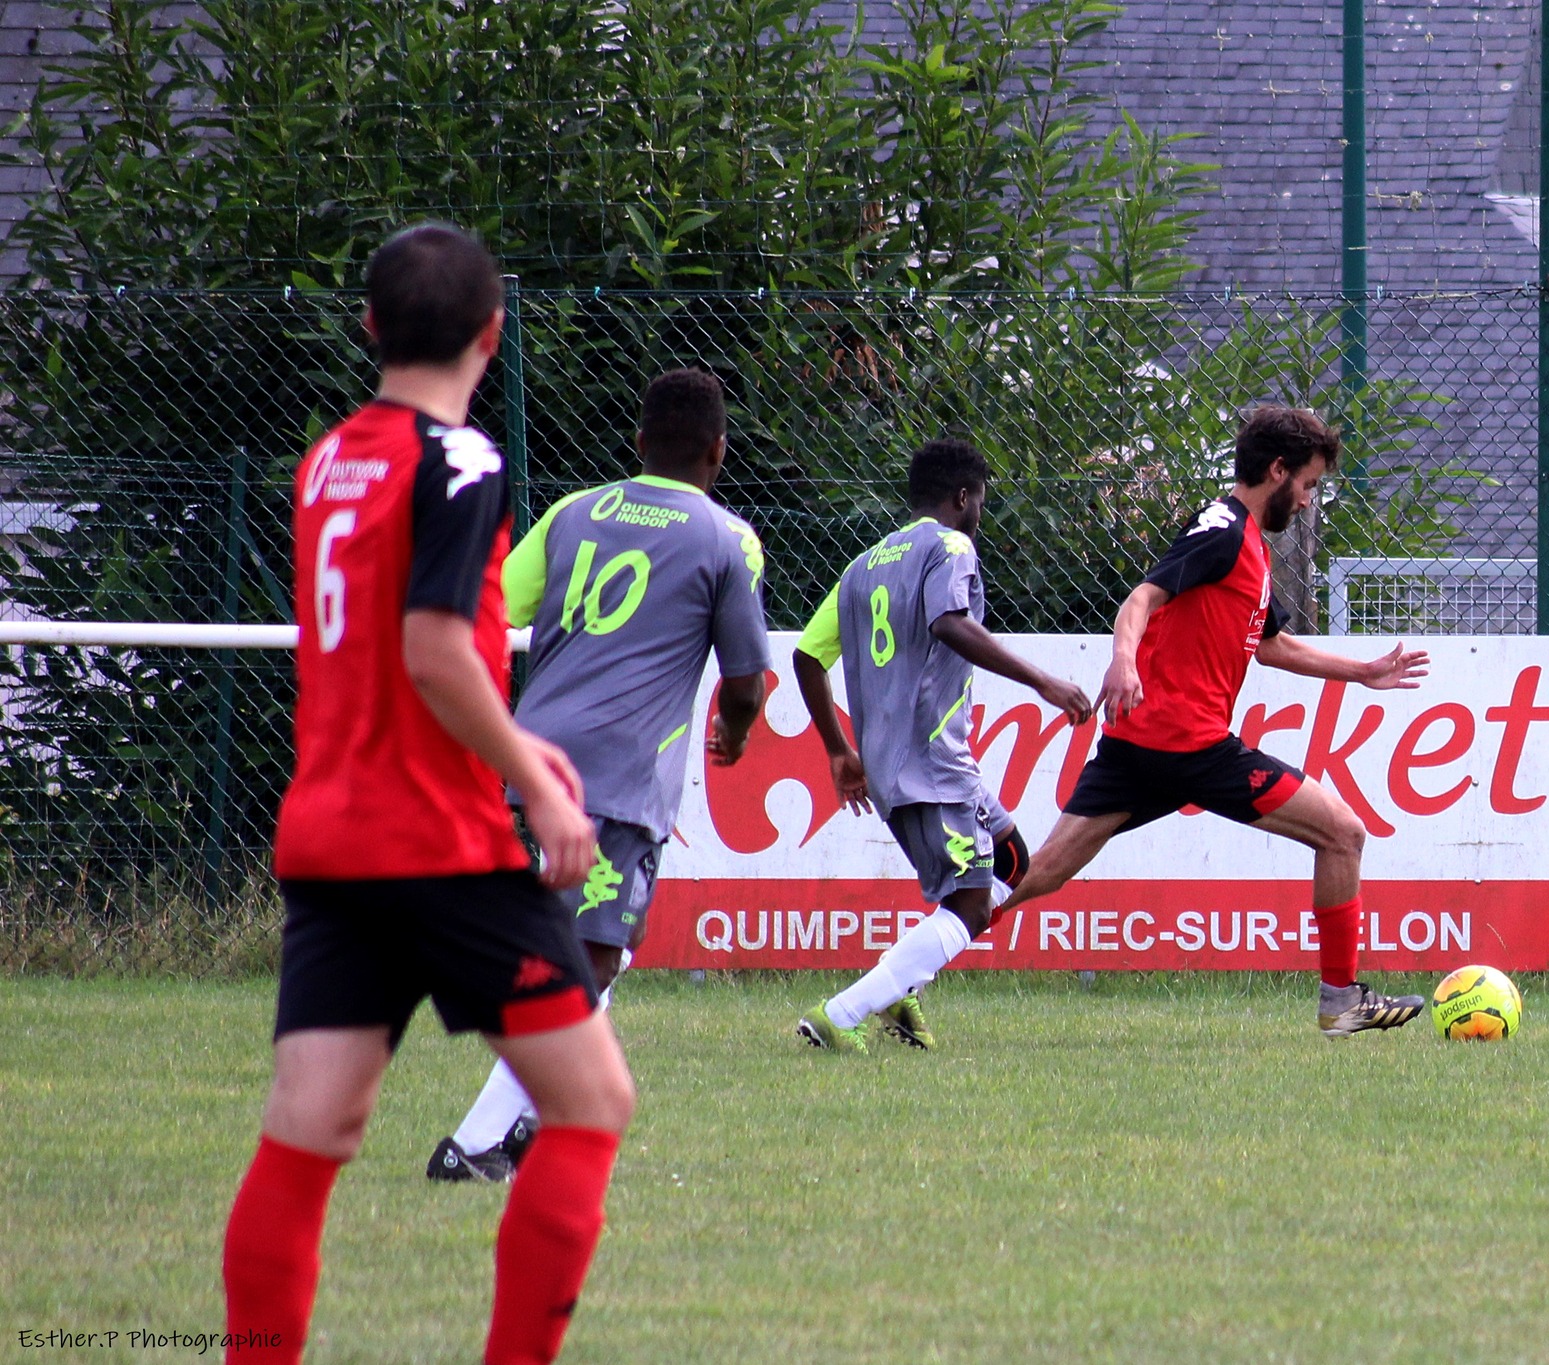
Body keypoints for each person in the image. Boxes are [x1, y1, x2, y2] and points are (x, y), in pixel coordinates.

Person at [223, 224, 633, 1365]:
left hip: (328, 836)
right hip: (438, 841)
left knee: (310, 1134)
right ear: (492, 336)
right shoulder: (459, 463)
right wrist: (534, 782)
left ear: (369, 327)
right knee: (591, 1103)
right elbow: (437, 651)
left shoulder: (327, 461)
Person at [428, 366, 770, 1180]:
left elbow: (495, 609)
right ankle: (475, 1143)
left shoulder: (573, 513)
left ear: (639, 443)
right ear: (720, 452)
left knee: (603, 942)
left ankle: (531, 1124)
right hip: (620, 775)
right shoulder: (725, 538)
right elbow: (748, 678)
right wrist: (733, 729)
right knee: (591, 957)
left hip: (532, 759)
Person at [999, 406, 1434, 1037]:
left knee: (1043, 871)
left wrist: (1363, 671)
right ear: (1277, 470)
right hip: (1189, 747)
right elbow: (1140, 598)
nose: (1309, 502)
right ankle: (1340, 1001)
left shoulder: (1249, 545)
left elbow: (1272, 646)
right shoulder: (1224, 532)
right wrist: (1123, 661)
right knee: (1343, 834)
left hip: (1139, 743)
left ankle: (899, 974)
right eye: (1308, 485)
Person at [789, 438, 1092, 1053]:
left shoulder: (863, 565)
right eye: (980, 498)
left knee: (1010, 863)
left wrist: (838, 751)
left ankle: (899, 989)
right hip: (931, 759)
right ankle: (842, 1012)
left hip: (887, 763)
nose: (980, 511)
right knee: (973, 907)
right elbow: (948, 623)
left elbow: (805, 656)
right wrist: (1044, 682)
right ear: (963, 497)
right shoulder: (951, 545)